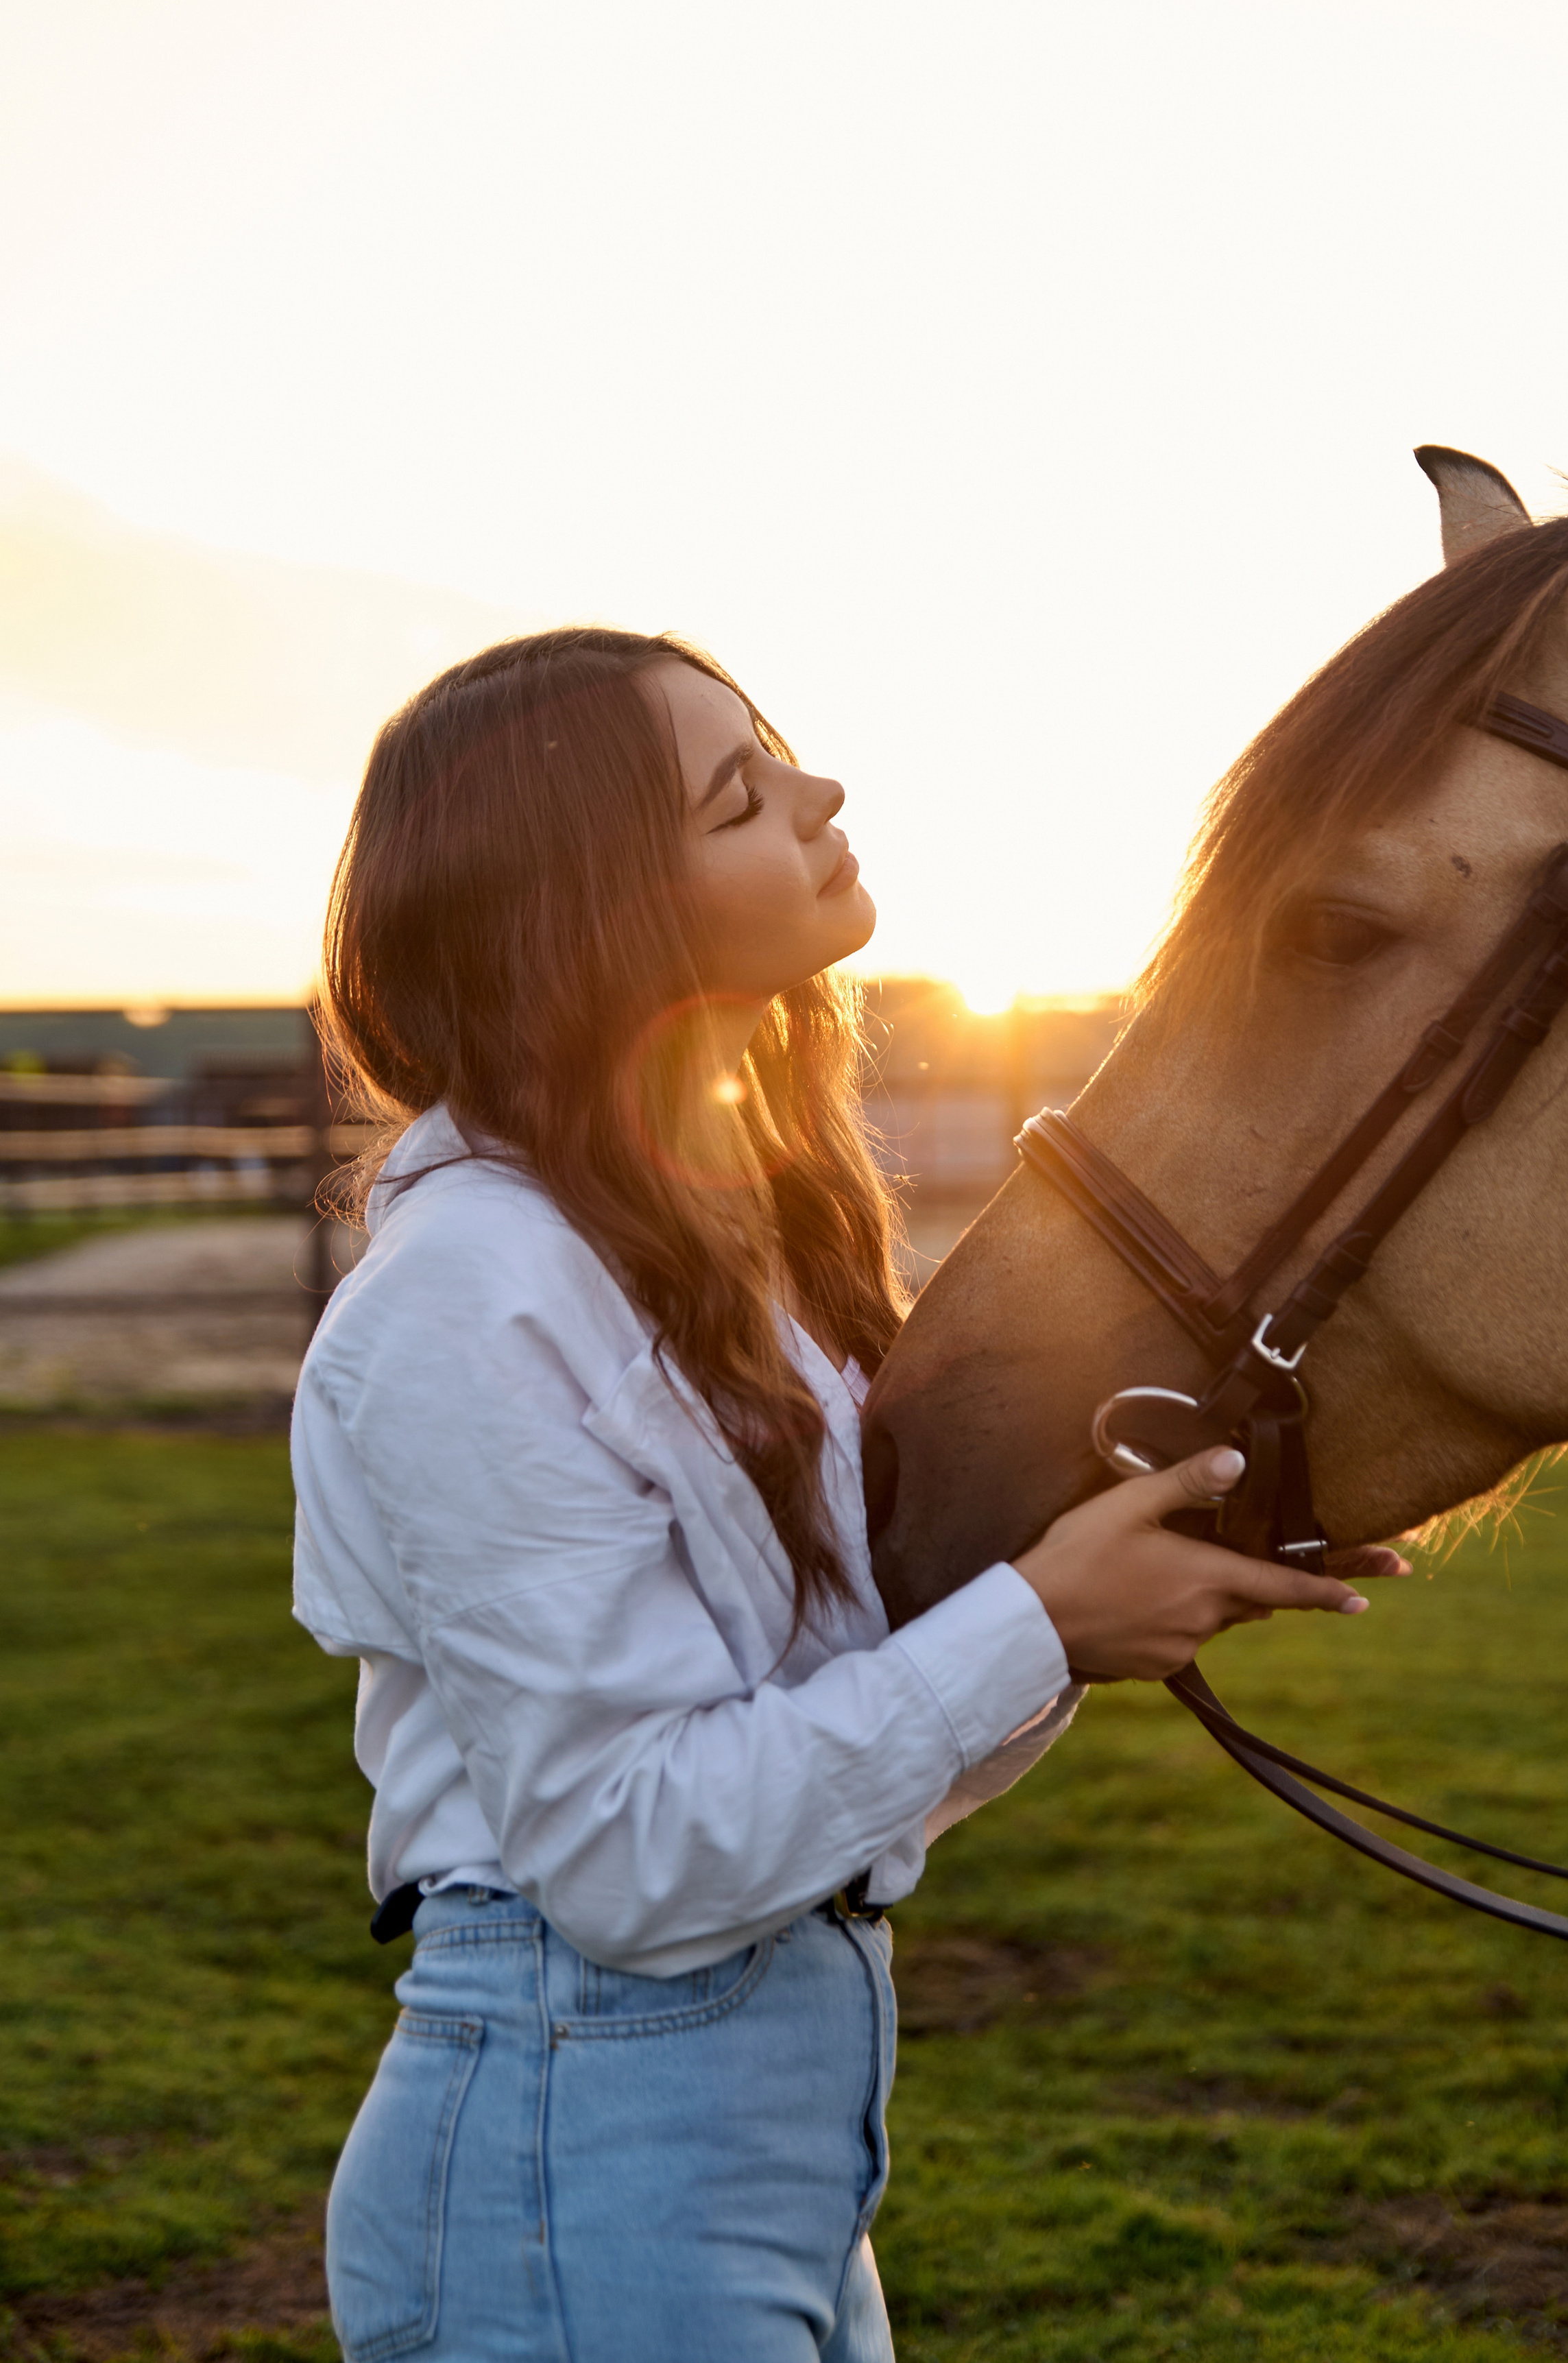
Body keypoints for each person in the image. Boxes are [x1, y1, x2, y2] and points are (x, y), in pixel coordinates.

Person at [289, 628, 1403, 2363]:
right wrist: (1039, 1619)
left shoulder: (720, 1249)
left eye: (777, 756)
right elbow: (635, 1851)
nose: (816, 795)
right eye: (739, 795)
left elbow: (833, 1746)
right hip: (574, 2154)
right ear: (587, 913)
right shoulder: (466, 1296)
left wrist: (1108, 1588)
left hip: (746, 2141)